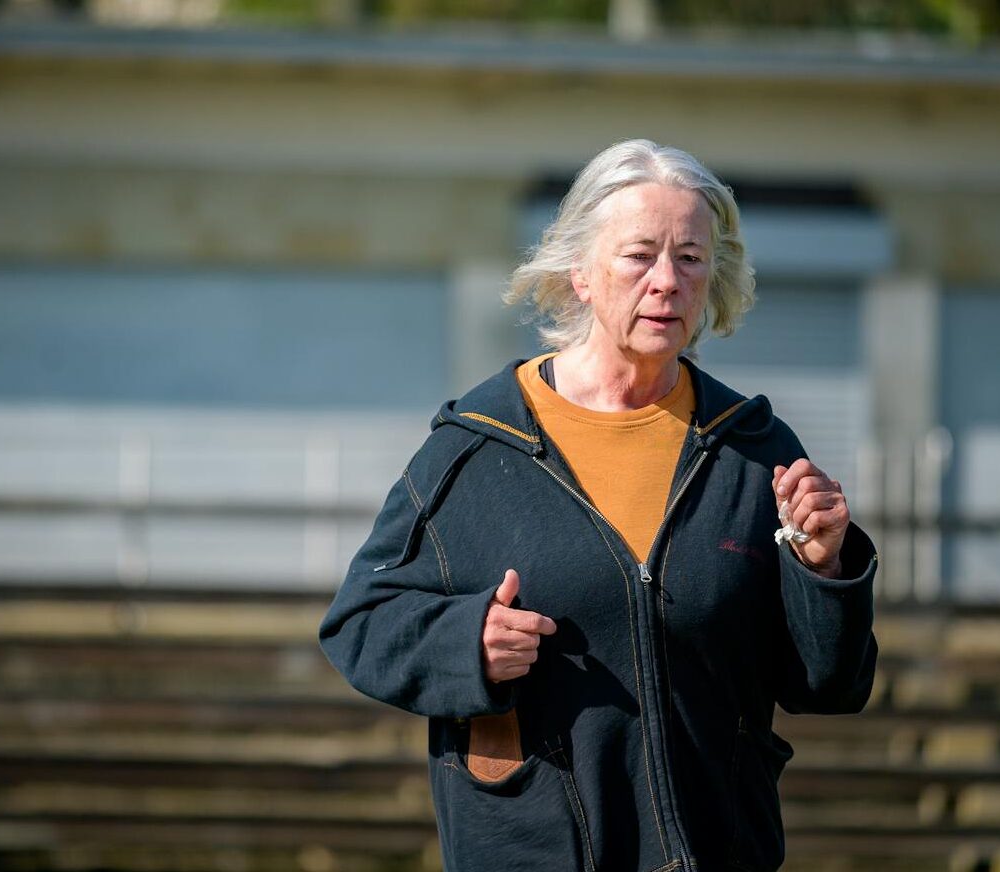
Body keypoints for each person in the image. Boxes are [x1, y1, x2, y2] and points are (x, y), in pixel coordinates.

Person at [319, 139, 878, 872]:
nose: (667, 281)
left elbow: (828, 686)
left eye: (690, 258)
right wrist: (465, 644)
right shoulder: (473, 448)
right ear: (578, 273)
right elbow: (360, 623)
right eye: (639, 255)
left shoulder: (755, 449)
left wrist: (823, 570)